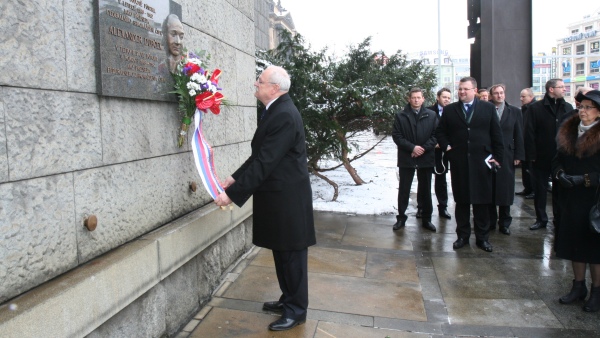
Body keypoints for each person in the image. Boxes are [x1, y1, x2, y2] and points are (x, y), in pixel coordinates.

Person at [214, 66, 316, 331]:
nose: (255, 84)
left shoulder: (283, 114)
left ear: (274, 88)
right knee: (282, 252)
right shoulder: (275, 110)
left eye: (259, 81)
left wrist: (231, 196)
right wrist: (235, 179)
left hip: (288, 199)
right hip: (279, 197)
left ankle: (296, 310)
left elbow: (265, 163)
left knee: (291, 255)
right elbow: (259, 156)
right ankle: (288, 299)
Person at [436, 77, 504, 252]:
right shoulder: (450, 110)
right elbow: (441, 132)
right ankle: (462, 236)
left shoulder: (488, 108)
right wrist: (447, 148)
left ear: (474, 90)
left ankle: (482, 238)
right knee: (462, 201)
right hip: (459, 162)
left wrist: (497, 157)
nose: (461, 92)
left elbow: (496, 134)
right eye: (459, 89)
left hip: (482, 161)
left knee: (482, 202)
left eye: (465, 89)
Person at [552, 89, 600, 312]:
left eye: (588, 107)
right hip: (570, 196)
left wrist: (585, 179)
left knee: (593, 249)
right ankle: (578, 286)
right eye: (581, 106)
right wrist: (560, 174)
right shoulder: (569, 129)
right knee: (574, 243)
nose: (583, 111)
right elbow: (557, 159)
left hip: (593, 199)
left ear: (598, 112)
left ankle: (597, 291)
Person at [524, 79, 574, 230]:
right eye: (561, 87)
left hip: (562, 157)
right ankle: (541, 219)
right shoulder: (535, 108)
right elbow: (529, 133)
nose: (564, 89)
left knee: (560, 189)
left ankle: (558, 219)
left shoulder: (568, 107)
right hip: (541, 156)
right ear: (551, 89)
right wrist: (531, 156)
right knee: (540, 190)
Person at [392, 88, 438, 232]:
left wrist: (422, 149)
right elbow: (397, 136)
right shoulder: (401, 116)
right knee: (404, 189)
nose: (416, 100)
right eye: (413, 97)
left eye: (419, 97)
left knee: (425, 190)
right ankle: (401, 218)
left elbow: (436, 135)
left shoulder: (431, 115)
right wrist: (412, 148)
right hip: (407, 157)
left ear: (423, 99)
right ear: (409, 99)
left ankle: (427, 219)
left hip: (426, 158)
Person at [487, 84, 524, 235]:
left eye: (501, 93)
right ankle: (490, 220)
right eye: (496, 93)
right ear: (491, 95)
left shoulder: (514, 111)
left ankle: (505, 222)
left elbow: (519, 134)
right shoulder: (485, 109)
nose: (499, 96)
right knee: (490, 188)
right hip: (489, 155)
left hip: (508, 155)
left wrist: (519, 155)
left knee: (506, 189)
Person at [421, 87, 452, 219]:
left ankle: (443, 207)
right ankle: (422, 207)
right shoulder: (428, 111)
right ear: (438, 97)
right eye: (444, 97)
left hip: (443, 152)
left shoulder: (451, 111)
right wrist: (432, 144)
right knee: (425, 181)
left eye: (449, 98)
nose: (447, 100)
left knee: (441, 180)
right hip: (428, 151)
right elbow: (423, 131)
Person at [516, 88, 536, 199]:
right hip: (524, 143)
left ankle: (533, 189)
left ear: (531, 97)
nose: (521, 99)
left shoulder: (533, 109)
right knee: (525, 168)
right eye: (521, 96)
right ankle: (527, 188)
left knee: (531, 168)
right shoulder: (523, 109)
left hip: (531, 144)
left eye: (523, 96)